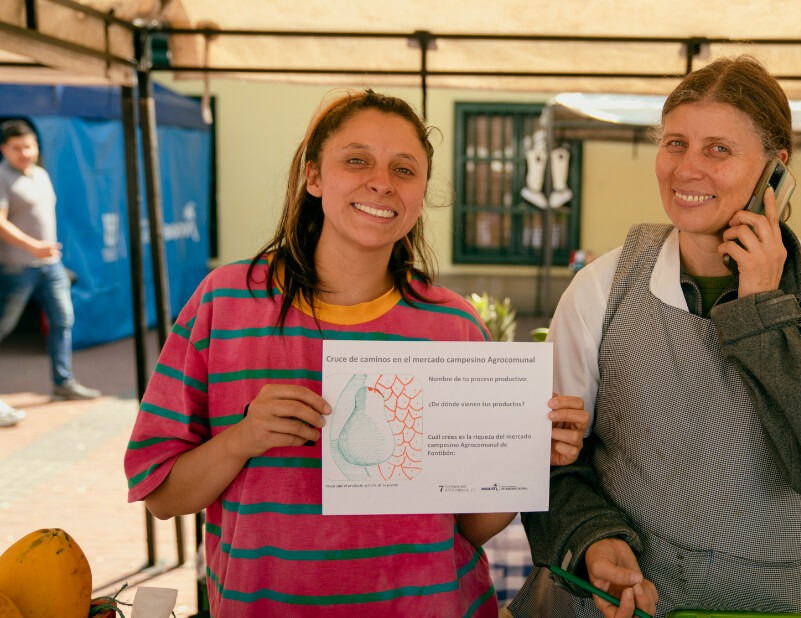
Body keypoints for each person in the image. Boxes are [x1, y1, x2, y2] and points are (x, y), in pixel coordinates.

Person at [123, 90, 588, 617]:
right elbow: (161, 494)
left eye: (404, 169)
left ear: (420, 194)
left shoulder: (452, 324)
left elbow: (467, 527)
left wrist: (523, 457)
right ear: (314, 177)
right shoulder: (225, 302)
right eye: (357, 160)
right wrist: (242, 440)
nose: (382, 182)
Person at [511, 56, 801, 617]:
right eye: (674, 144)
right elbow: (550, 458)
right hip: (620, 606)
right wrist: (593, 536)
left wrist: (764, 312)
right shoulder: (605, 287)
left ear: (775, 167)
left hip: (776, 603)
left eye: (719, 149)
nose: (687, 169)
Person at [0, 119, 101, 403]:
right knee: (3, 327)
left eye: (28, 146)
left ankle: (63, 382)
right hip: (16, 268)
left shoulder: (40, 174)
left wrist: (44, 252)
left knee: (63, 319)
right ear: (4, 150)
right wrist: (33, 247)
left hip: (51, 265)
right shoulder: (2, 177)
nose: (24, 153)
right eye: (16, 148)